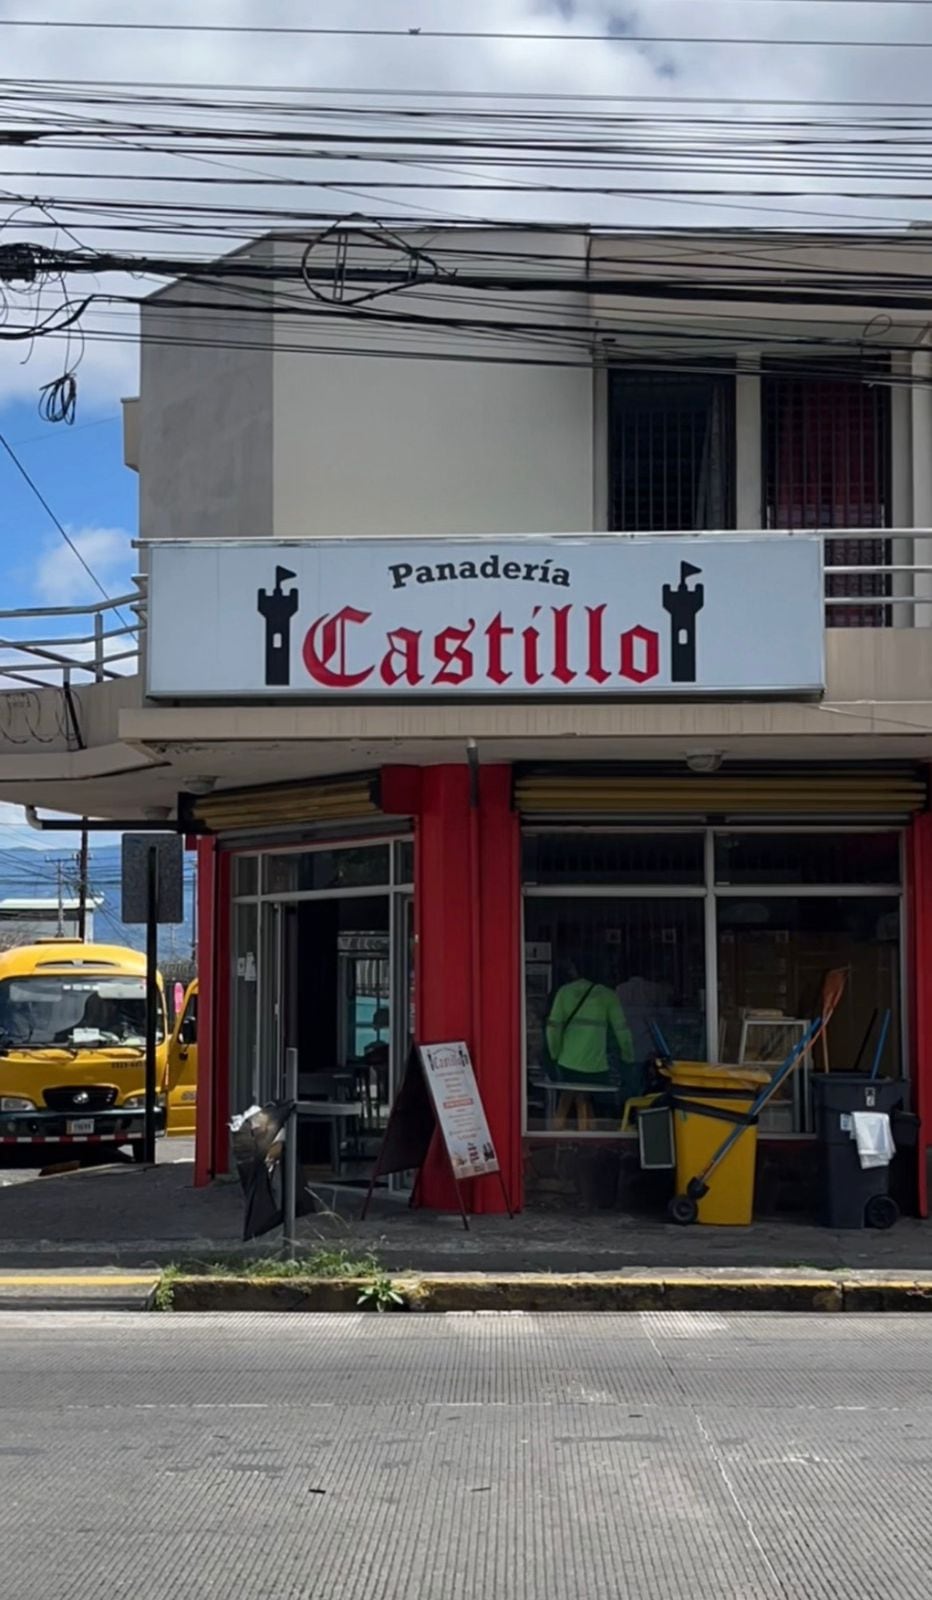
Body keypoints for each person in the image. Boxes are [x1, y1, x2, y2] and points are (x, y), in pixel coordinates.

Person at [545, 967, 634, 1129]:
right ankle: (588, 1136)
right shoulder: (608, 996)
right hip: (597, 1068)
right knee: (585, 1099)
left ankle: (556, 1136)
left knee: (567, 1098)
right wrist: (628, 1057)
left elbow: (553, 1029)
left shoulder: (564, 993)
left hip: (567, 1064)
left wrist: (555, 1055)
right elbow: (622, 1031)